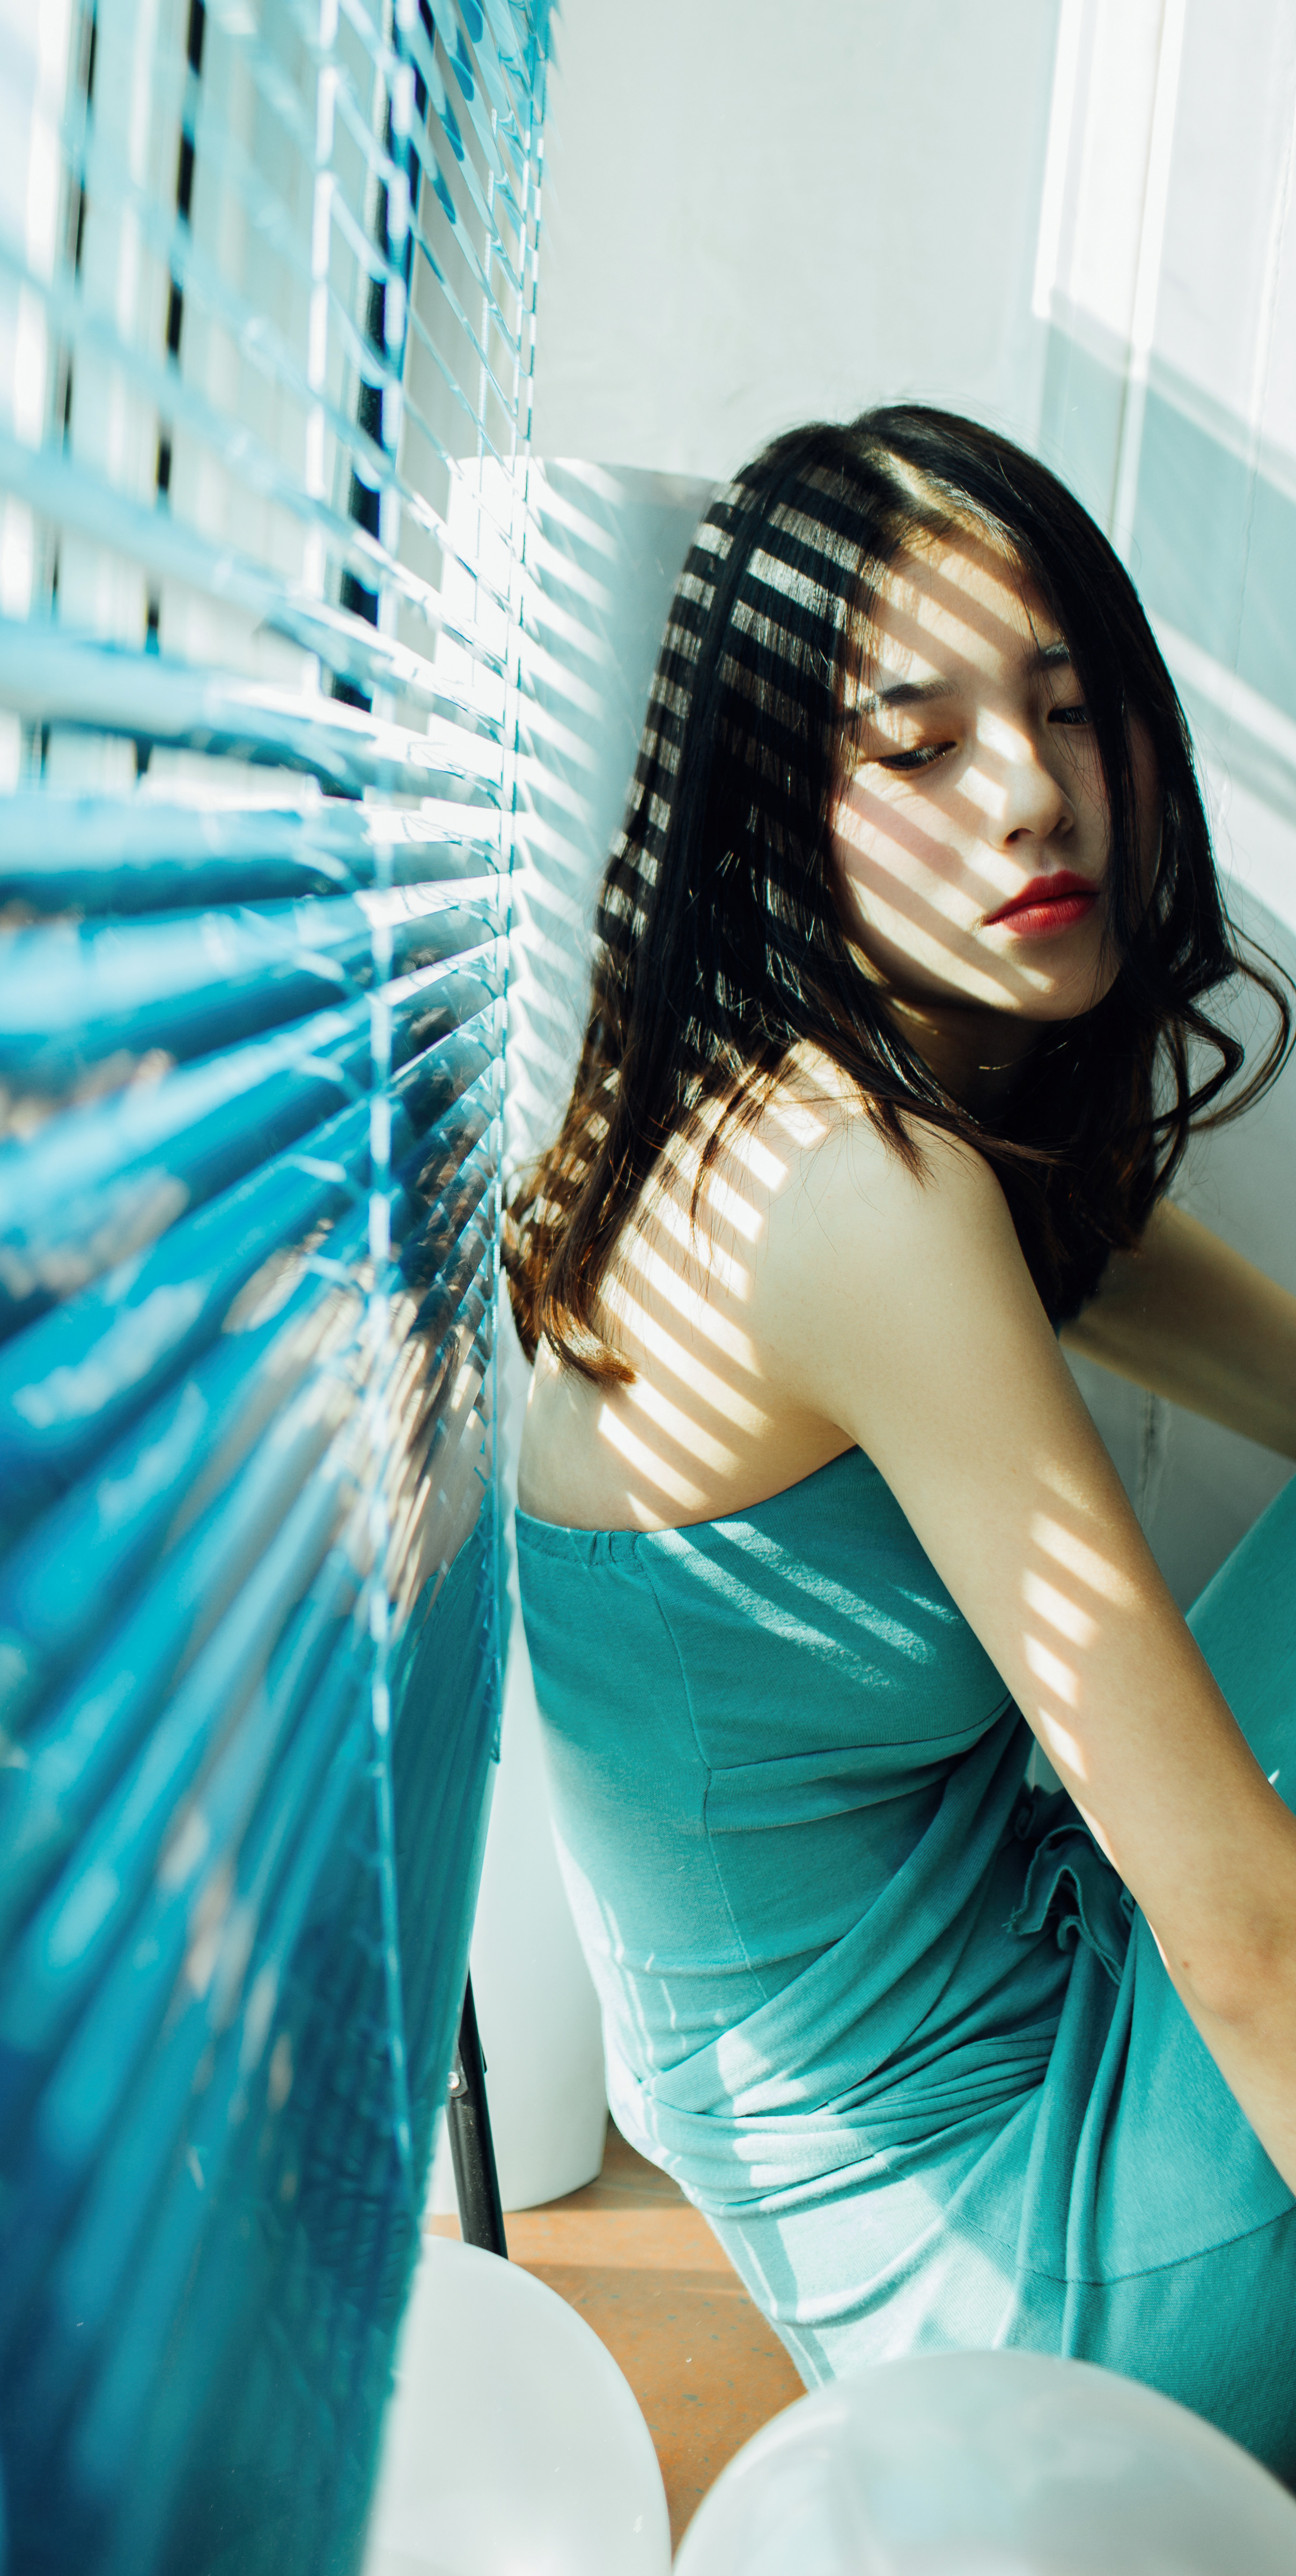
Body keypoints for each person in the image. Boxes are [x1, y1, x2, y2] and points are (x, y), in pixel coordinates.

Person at [507, 404, 1296, 2473]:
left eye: (1070, 707)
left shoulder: (863, 1109)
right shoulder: (859, 1193)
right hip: (1043, 2275)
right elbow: (1244, 1936)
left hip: (1016, 2094)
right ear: (778, 808)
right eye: (918, 747)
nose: (1034, 794)